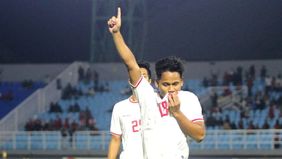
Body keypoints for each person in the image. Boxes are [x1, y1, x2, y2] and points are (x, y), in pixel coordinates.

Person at [108, 8, 206, 159]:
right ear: (156, 83)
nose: (172, 89)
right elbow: (131, 64)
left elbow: (199, 136)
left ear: (182, 82)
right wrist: (116, 34)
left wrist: (177, 113)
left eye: (176, 84)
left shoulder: (189, 99)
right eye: (166, 84)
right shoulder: (147, 96)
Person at [108, 61, 152, 159]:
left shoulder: (159, 103)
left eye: (144, 76)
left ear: (150, 81)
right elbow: (115, 139)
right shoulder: (120, 107)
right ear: (130, 81)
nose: (140, 80)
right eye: (137, 76)